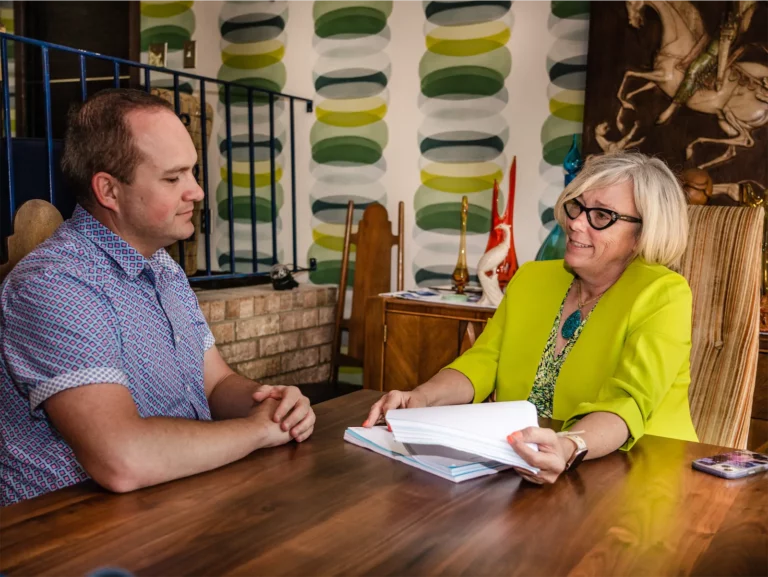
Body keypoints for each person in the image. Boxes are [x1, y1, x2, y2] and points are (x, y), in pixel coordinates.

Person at [0, 89, 315, 506]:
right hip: (67, 538)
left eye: (193, 172)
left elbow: (217, 383)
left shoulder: (162, 267)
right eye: (174, 178)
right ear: (109, 191)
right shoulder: (53, 285)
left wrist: (272, 404)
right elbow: (123, 458)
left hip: (175, 503)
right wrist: (256, 431)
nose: (198, 192)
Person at [365, 152, 698, 484]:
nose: (576, 223)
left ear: (642, 234)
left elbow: (628, 402)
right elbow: (483, 362)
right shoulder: (532, 280)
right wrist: (421, 398)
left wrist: (569, 446)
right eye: (577, 206)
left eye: (601, 215)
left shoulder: (663, 294)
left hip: (640, 475)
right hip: (530, 465)